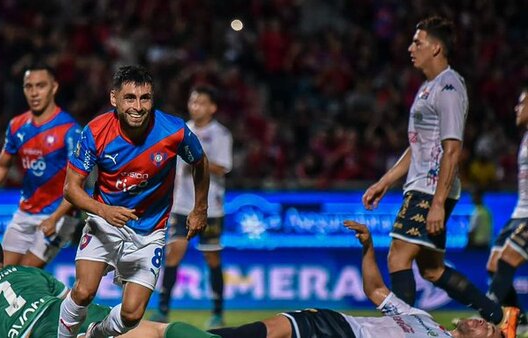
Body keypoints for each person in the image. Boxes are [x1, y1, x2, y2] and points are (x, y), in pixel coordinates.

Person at [361, 16, 504, 323]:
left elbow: (453, 149)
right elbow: (417, 147)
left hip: (430, 186)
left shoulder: (449, 87)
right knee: (432, 269)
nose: (411, 48)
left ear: (436, 48)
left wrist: (438, 201)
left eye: (418, 42)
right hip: (422, 184)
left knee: (398, 255)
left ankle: (404, 329)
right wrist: (385, 181)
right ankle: (499, 316)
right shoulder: (429, 87)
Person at [58, 65, 210, 338]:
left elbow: (200, 162)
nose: (138, 107)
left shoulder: (173, 131)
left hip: (150, 231)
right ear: (114, 99)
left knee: (131, 315)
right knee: (83, 291)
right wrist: (104, 211)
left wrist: (200, 209)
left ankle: (94, 336)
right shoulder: (95, 131)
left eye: (145, 98)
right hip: (105, 222)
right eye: (130, 98)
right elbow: (71, 189)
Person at [206, 221, 519, 338]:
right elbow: (376, 291)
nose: (483, 324)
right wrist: (368, 247)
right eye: (487, 323)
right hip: (336, 324)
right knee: (253, 332)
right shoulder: (425, 320)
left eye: (488, 332)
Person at [0, 234, 218, 338]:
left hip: (35, 333)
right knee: (159, 332)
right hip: (62, 314)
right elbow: (71, 300)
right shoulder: (27, 271)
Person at [0, 63, 81, 268]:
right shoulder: (17, 126)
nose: (34, 92)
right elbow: (1, 166)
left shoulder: (70, 130)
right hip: (25, 213)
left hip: (59, 214)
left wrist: (55, 218)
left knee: (24, 275)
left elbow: (78, 183)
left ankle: (64, 299)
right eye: (29, 86)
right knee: (1, 274)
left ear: (54, 87)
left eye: (40, 86)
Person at [152, 85, 233, 328]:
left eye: (200, 102)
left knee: (212, 257)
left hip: (210, 206)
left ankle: (218, 312)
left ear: (212, 108)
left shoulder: (220, 134)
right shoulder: (182, 130)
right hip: (181, 205)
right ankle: (163, 310)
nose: (195, 106)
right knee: (173, 252)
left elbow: (225, 167)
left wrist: (199, 161)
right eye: (192, 101)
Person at [487, 87, 528, 333]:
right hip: (518, 212)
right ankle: (519, 321)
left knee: (507, 259)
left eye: (522, 103)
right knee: (493, 265)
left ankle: (486, 312)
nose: (516, 107)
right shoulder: (525, 136)